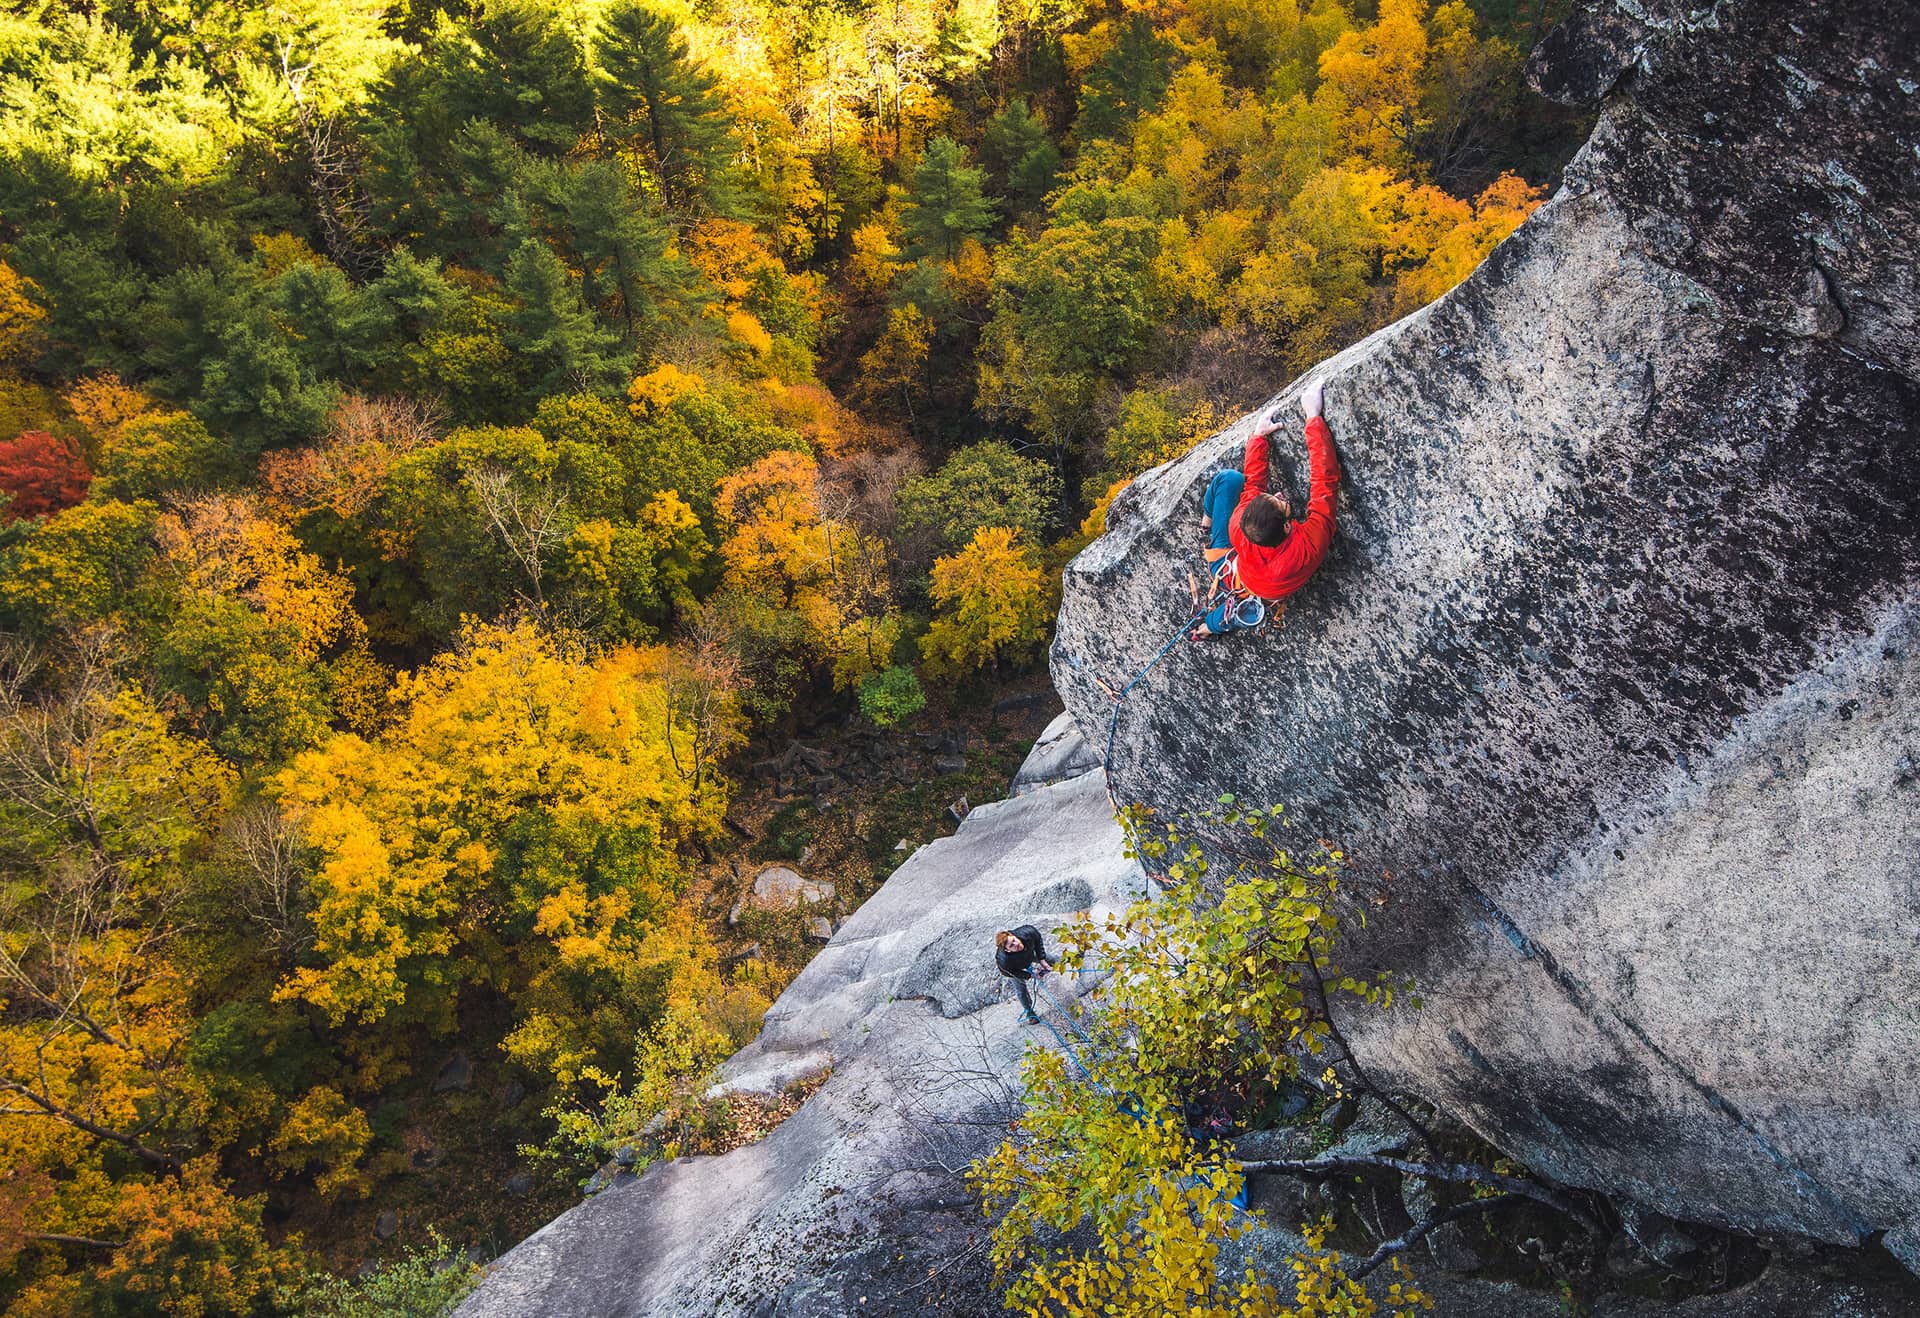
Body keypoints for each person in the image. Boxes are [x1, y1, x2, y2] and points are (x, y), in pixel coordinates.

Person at [1192, 377, 1340, 638]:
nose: (1281, 494)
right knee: (1236, 606)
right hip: (1254, 584)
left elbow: (1252, 487)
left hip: (1235, 571)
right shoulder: (1309, 545)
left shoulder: (1239, 525)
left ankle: (1207, 627)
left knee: (1227, 480)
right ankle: (1208, 627)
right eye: (1281, 501)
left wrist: (1258, 436)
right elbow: (1324, 481)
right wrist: (1312, 417)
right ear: (1287, 526)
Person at [994, 926, 1052, 1024]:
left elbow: (1037, 937)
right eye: (1012, 945)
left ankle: (1077, 967)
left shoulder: (1026, 933)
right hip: (1015, 967)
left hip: (1028, 954)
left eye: (1014, 940)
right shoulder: (1004, 962)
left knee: (1051, 959)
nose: (1016, 944)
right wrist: (1030, 975)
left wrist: (1041, 959)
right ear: (1007, 950)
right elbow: (1011, 973)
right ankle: (1030, 1013)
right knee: (1021, 990)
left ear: (1013, 935)